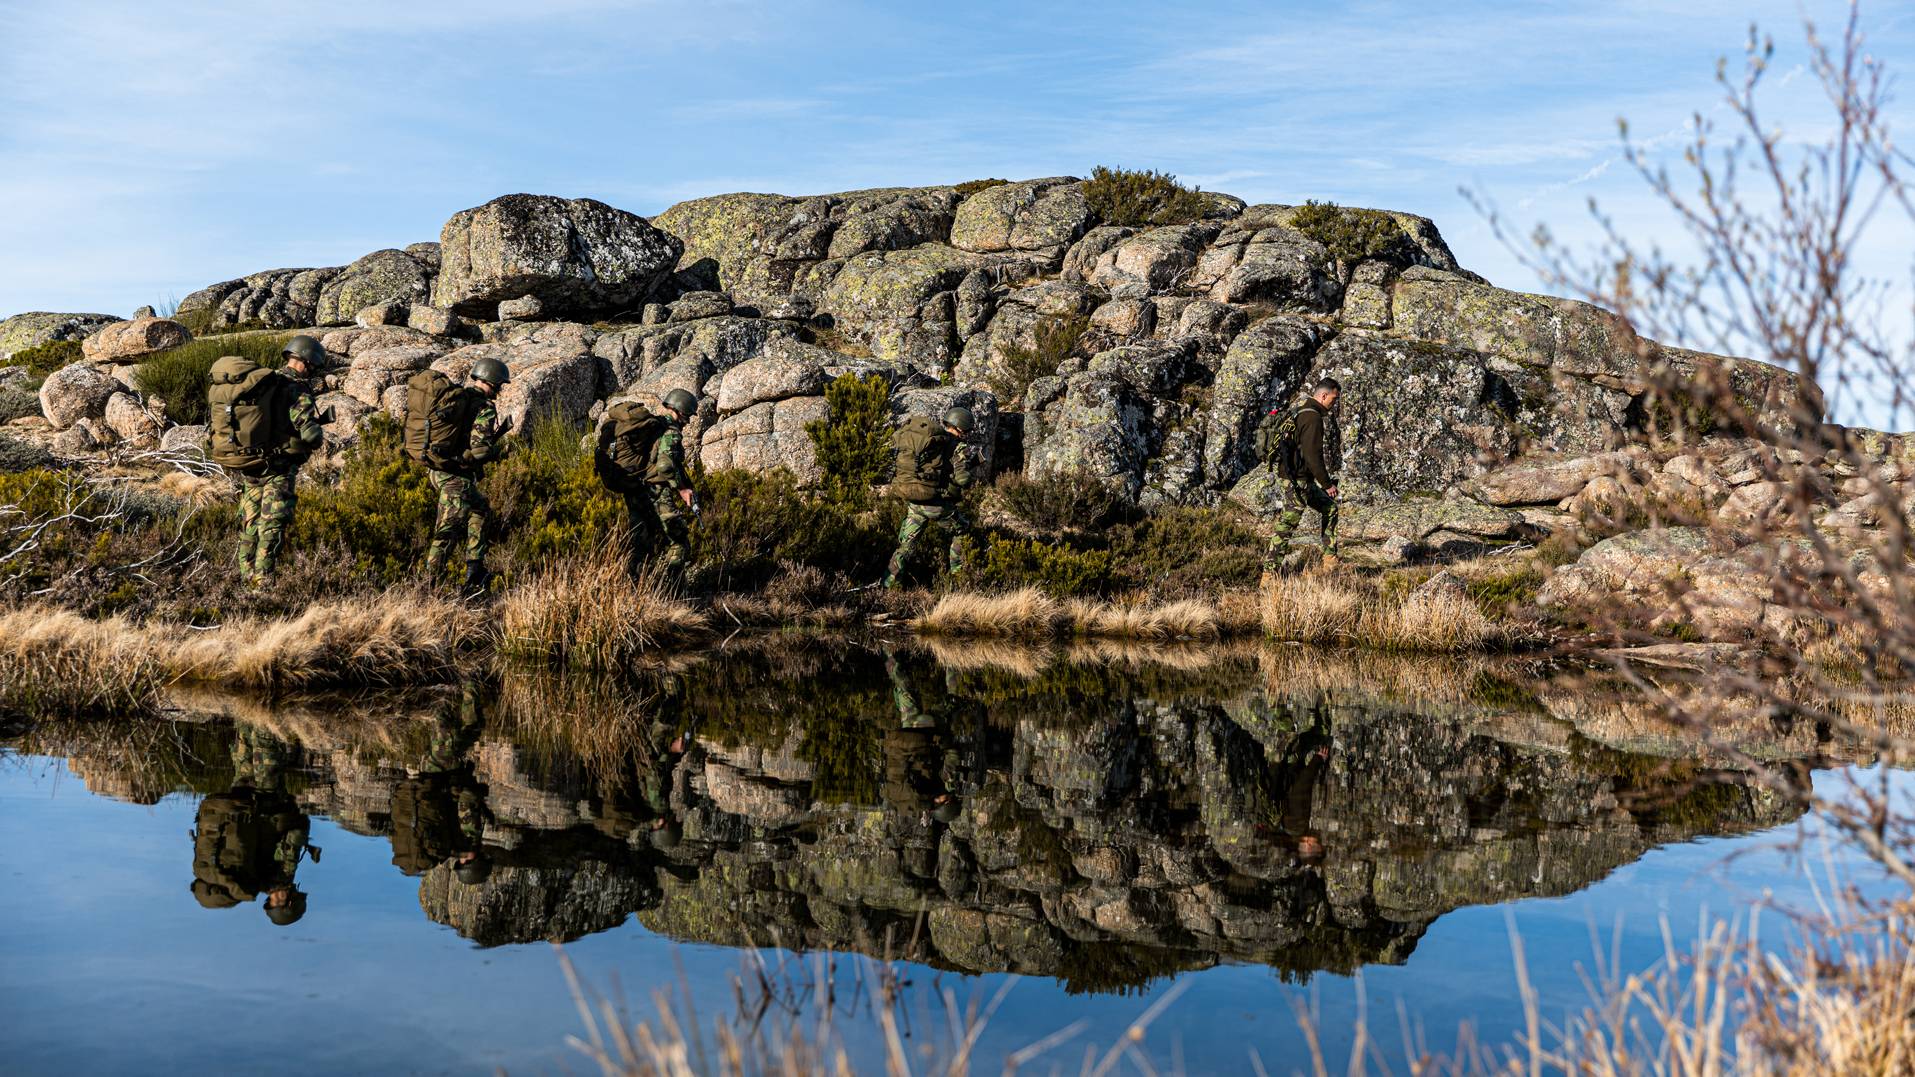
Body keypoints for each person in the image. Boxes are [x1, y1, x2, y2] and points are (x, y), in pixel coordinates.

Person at [214, 334, 329, 585]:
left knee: (250, 525)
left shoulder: (265, 383)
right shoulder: (297, 388)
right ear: (308, 361)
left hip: (251, 466)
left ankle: (246, 580)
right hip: (278, 470)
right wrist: (316, 434)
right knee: (271, 526)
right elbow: (311, 435)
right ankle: (263, 586)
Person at [190, 726, 318, 926]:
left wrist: (298, 820)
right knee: (246, 732)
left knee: (264, 733)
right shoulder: (254, 881)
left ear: (289, 901)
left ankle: (263, 701)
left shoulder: (282, 875)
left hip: (266, 799)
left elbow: (295, 834)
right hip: (242, 800)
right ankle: (248, 704)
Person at [423, 357, 511, 594]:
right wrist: (497, 450)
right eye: (500, 384)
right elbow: (480, 449)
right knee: (446, 532)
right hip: (455, 477)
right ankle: (427, 588)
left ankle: (475, 571)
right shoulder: (484, 407)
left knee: (480, 509)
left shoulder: (459, 398)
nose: (500, 389)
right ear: (493, 381)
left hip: (438, 471)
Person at [594, 387, 697, 583]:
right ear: (680, 411)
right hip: (657, 493)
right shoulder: (669, 432)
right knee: (678, 542)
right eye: (688, 416)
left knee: (641, 544)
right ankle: (676, 593)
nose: (688, 421)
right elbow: (666, 465)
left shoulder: (650, 427)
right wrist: (682, 489)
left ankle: (636, 590)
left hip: (634, 490)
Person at [884, 407, 978, 590]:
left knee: (906, 546)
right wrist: (967, 472)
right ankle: (960, 582)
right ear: (963, 427)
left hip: (915, 502)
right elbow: (963, 479)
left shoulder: (933, 442)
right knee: (962, 534)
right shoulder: (957, 446)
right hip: (937, 504)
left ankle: (888, 585)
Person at [1259, 378, 1343, 575]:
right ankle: (1269, 575)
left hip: (1297, 478)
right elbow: (1313, 456)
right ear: (1323, 395)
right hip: (1298, 481)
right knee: (1287, 525)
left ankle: (1330, 560)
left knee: (1330, 508)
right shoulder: (1312, 418)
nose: (1335, 403)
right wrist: (1327, 484)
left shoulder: (1300, 410)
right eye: (1334, 398)